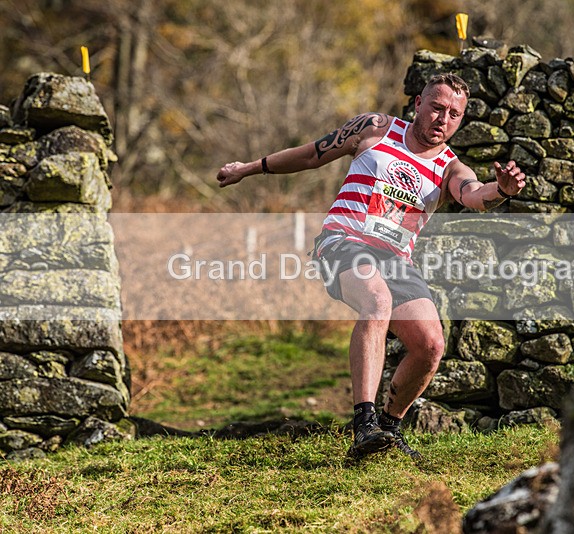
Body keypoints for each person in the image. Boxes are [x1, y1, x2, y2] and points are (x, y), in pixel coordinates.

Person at [216, 73, 525, 460]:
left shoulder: (450, 168)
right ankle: (364, 424)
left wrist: (502, 190)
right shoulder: (375, 129)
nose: (442, 119)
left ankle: (389, 429)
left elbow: (474, 194)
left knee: (430, 345)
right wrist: (249, 167)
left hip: (395, 260)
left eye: (453, 114)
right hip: (344, 242)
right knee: (376, 301)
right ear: (418, 105)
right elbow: (312, 154)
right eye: (436, 108)